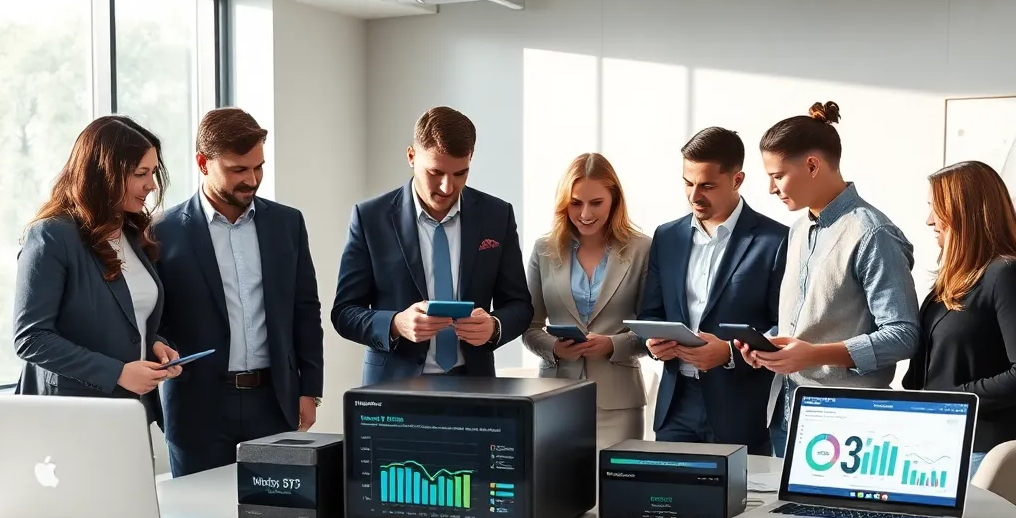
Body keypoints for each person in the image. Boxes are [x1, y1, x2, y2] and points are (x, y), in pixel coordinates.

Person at [153, 107, 325, 478]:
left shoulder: (287, 223)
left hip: (273, 402)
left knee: (277, 507)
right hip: (196, 408)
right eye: (238, 170)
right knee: (199, 509)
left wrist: (309, 388)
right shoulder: (161, 232)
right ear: (203, 163)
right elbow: (153, 319)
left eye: (258, 167)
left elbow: (305, 310)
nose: (252, 179)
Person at [741, 102, 920, 456]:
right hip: (787, 413)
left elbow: (903, 335)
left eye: (778, 175)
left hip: (849, 424)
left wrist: (811, 355)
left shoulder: (873, 233)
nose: (771, 188)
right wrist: (769, 347)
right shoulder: (798, 230)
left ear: (812, 165)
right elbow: (807, 326)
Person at [332, 106, 532, 383]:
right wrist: (395, 324)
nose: (447, 187)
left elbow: (520, 305)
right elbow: (344, 312)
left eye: (460, 173)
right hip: (394, 387)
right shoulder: (370, 218)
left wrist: (494, 327)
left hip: (474, 384)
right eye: (436, 172)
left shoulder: (497, 216)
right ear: (411, 156)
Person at [14, 115, 182, 424]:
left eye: (153, 172)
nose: (152, 185)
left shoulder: (132, 233)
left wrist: (155, 345)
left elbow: (127, 320)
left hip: (131, 411)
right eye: (141, 173)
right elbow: (31, 338)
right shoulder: (52, 235)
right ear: (104, 173)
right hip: (71, 415)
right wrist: (117, 373)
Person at [638, 127, 788, 454]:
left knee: (744, 490)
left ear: (737, 180)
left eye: (707, 185)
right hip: (676, 407)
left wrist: (730, 353)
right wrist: (653, 344)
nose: (694, 196)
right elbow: (651, 312)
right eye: (687, 183)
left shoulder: (776, 241)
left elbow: (785, 328)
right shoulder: (667, 236)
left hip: (741, 411)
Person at [903, 161, 1016, 476]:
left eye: (936, 208)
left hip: (984, 451)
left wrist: (948, 400)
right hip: (938, 444)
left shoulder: (1006, 275)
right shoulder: (951, 282)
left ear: (964, 212)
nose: (929, 220)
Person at [522, 153, 651, 450]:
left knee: (617, 479)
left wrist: (612, 344)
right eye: (576, 203)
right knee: (557, 480)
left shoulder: (642, 249)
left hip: (619, 405)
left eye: (596, 203)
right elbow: (529, 327)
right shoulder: (544, 249)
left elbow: (653, 330)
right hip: (555, 398)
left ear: (614, 200)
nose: (585, 213)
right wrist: (554, 348)